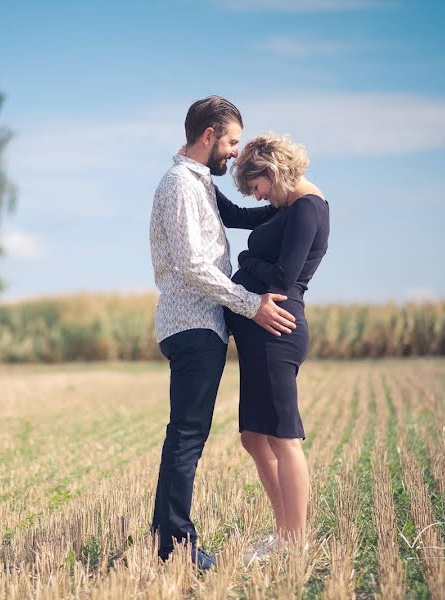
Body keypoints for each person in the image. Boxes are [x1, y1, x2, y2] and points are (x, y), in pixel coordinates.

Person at [148, 96, 297, 570]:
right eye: (232, 141)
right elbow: (193, 264)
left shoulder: (197, 184)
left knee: (187, 435)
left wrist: (296, 200)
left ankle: (166, 540)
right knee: (187, 437)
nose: (235, 152)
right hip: (191, 323)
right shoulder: (179, 184)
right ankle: (174, 547)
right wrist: (251, 305)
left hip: (201, 323)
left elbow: (240, 217)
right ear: (208, 135)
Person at [223, 133, 330, 565]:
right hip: (258, 333)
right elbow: (232, 214)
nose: (257, 196)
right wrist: (196, 174)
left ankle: (295, 543)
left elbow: (283, 277)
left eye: (257, 186)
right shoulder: (284, 209)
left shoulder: (307, 208)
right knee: (253, 438)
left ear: (272, 172)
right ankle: (284, 532)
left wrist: (245, 263)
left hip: (277, 332)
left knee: (285, 439)